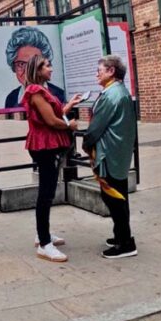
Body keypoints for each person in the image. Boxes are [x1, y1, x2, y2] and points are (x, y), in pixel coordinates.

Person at [21, 54, 82, 263]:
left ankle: (42, 235)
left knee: (47, 191)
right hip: (44, 145)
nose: (51, 69)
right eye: (47, 66)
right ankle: (45, 244)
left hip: (47, 144)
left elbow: (54, 113)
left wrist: (69, 105)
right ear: (37, 70)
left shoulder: (42, 90)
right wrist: (69, 125)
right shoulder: (35, 91)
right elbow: (51, 121)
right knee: (46, 194)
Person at [82, 55, 138, 259]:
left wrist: (86, 143)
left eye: (100, 69)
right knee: (118, 196)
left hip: (110, 154)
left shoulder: (111, 94)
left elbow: (97, 126)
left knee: (114, 197)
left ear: (111, 71)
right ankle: (121, 236)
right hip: (118, 153)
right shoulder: (118, 91)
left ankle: (125, 243)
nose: (97, 73)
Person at [4, 27, 66, 109]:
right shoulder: (11, 98)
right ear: (14, 67)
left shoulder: (60, 95)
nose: (28, 70)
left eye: (34, 63)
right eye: (21, 64)